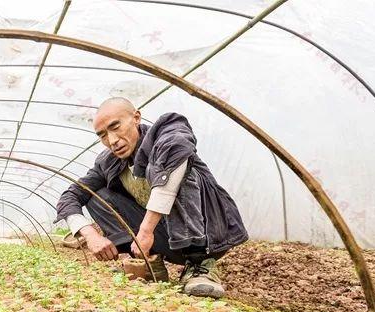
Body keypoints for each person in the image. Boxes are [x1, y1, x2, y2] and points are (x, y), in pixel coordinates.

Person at [55, 97, 248, 298]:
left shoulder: (167, 132)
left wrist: (146, 231)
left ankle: (200, 267)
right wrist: (90, 235)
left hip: (208, 235)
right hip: (161, 239)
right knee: (97, 196)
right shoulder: (108, 162)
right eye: (103, 135)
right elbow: (70, 196)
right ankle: (149, 264)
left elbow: (175, 152)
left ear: (136, 117)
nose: (112, 141)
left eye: (115, 127)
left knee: (176, 164)